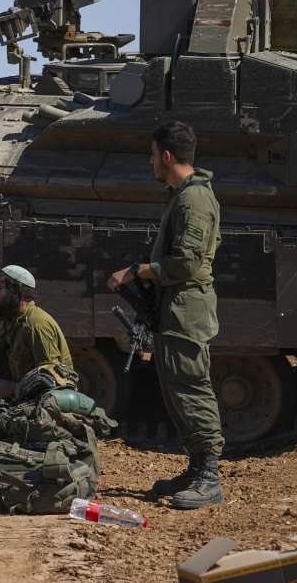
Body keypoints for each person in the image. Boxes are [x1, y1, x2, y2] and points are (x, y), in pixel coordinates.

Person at [108, 120, 224, 510]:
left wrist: (139, 272)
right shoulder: (182, 196)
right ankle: (196, 468)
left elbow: (188, 262)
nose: (151, 161)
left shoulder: (194, 200)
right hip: (176, 308)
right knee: (177, 389)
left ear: (167, 155)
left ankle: (209, 477)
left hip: (187, 308)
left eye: (153, 154)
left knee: (191, 388)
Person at [0, 265, 77, 401]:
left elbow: (53, 383)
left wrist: (11, 388)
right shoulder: (17, 321)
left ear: (16, 292)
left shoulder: (36, 324)